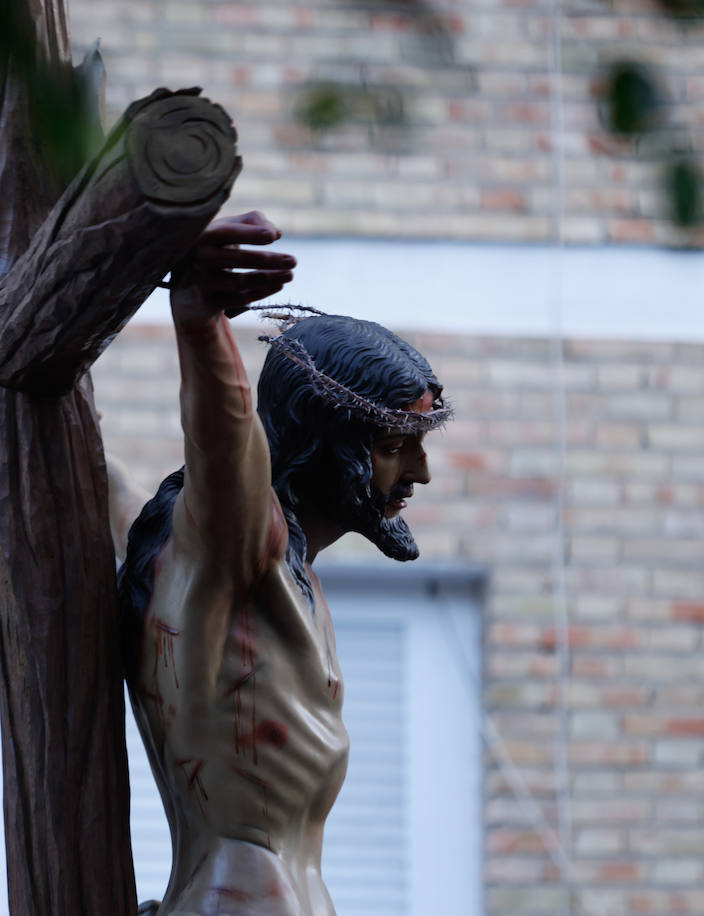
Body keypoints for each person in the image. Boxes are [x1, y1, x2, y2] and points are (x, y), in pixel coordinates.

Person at [107, 211, 451, 915]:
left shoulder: (282, 576)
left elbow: (101, 487)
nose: (421, 470)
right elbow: (224, 445)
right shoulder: (241, 549)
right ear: (324, 439)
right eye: (395, 444)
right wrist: (200, 321)